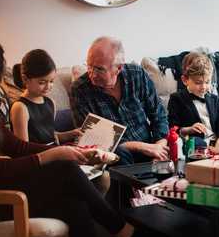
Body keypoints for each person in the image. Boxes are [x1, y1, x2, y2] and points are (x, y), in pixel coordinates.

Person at [0, 37, 135, 237]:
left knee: (75, 206)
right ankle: (117, 224)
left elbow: (17, 148)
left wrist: (64, 150)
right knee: (64, 168)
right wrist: (51, 156)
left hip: (7, 190)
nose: (2, 81)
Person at [71, 36, 169, 164]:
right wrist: (144, 147)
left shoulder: (137, 75)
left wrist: (159, 147)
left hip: (151, 147)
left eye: (99, 69)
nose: (92, 74)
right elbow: (91, 141)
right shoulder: (80, 90)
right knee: (120, 154)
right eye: (89, 66)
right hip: (115, 154)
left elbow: (159, 115)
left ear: (119, 68)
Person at [10, 49, 81, 144]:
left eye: (51, 81)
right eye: (42, 82)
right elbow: (23, 149)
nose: (48, 87)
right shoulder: (20, 108)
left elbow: (50, 136)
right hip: (37, 156)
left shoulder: (50, 102)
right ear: (25, 79)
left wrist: (72, 134)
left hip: (54, 151)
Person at [168, 52, 219, 154]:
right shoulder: (177, 98)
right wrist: (189, 129)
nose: (203, 87)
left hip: (215, 140)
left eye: (207, 82)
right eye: (198, 83)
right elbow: (172, 127)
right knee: (198, 145)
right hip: (195, 141)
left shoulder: (214, 99)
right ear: (185, 80)